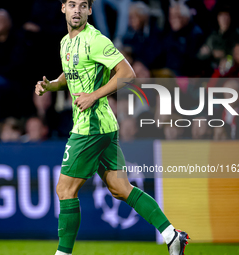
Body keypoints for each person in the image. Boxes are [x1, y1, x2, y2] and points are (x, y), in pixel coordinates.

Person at [34, 1, 189, 255]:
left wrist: (94, 95)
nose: (77, 10)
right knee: (120, 188)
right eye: (72, 4)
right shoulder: (65, 42)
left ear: (90, 11)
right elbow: (70, 73)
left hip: (91, 127)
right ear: (62, 8)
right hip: (103, 126)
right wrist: (52, 85)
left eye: (83, 5)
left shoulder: (95, 40)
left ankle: (62, 254)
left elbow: (127, 74)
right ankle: (173, 235)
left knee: (65, 189)